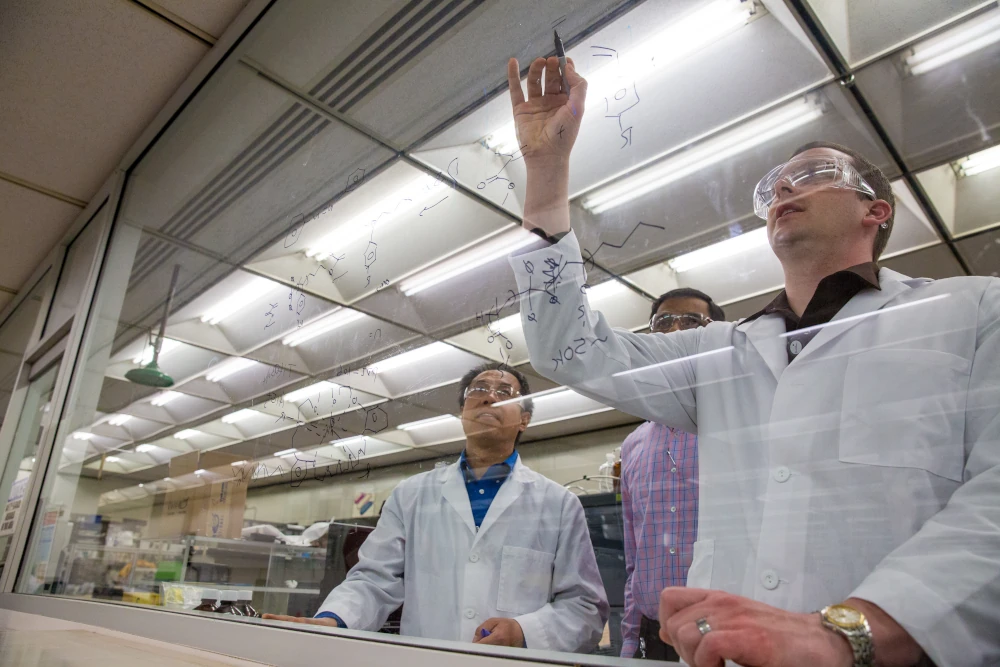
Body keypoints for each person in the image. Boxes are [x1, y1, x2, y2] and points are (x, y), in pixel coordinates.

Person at [503, 55, 999, 667]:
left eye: (815, 174)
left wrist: (852, 631)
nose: (785, 190)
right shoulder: (720, 351)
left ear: (877, 211)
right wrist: (547, 173)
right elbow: (568, 349)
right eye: (775, 186)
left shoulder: (975, 311)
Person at [264, 362, 609, 654]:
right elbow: (374, 580)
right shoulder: (412, 495)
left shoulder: (559, 504)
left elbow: (584, 606)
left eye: (505, 392)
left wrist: (524, 631)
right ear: (462, 412)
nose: (489, 396)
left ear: (524, 420)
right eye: (478, 389)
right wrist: (333, 620)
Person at [621, 288, 723, 661]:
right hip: (654, 630)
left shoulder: (736, 427)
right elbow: (634, 557)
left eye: (692, 322)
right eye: (663, 323)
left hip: (723, 624)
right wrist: (630, 641)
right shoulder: (633, 445)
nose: (675, 332)